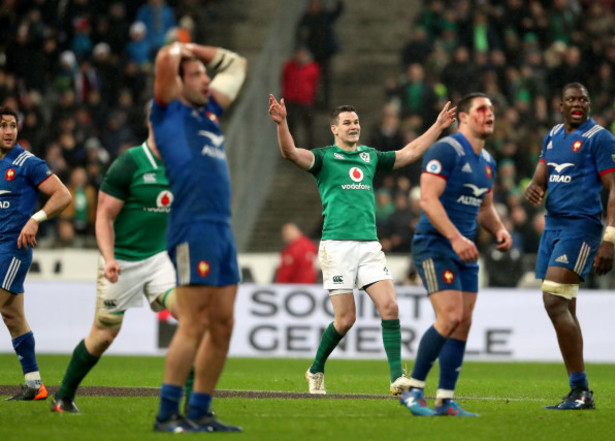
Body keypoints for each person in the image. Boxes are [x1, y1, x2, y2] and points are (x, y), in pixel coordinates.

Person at [268, 94, 456, 396]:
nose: (354, 126)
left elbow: (408, 153)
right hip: (337, 246)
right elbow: (290, 152)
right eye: (347, 123)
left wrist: (437, 127)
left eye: (356, 122)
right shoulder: (324, 158)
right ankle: (315, 369)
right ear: (334, 129)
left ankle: (397, 378)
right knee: (345, 320)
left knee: (390, 306)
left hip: (369, 245)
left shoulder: (369, 156)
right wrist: (282, 122)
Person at [151, 41, 247, 433]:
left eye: (206, 75)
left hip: (221, 228)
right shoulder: (167, 111)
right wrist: (181, 48)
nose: (206, 80)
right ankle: (166, 414)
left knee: (223, 324)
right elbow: (164, 59)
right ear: (177, 83)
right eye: (196, 75)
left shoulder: (208, 112)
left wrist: (197, 54)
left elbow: (238, 63)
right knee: (194, 322)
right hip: (192, 227)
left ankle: (200, 410)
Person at [50, 122, 179, 413]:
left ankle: (195, 406)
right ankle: (63, 397)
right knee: (103, 336)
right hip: (121, 261)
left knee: (192, 317)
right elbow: (104, 217)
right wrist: (109, 259)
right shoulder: (129, 163)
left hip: (159, 260)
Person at [400, 93, 512, 417]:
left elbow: (486, 208)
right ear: (463, 117)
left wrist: (500, 230)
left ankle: (445, 400)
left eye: (492, 109)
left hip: (465, 250)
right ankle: (413, 391)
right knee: (449, 317)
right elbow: (428, 201)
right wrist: (456, 237)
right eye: (481, 109)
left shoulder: (488, 162)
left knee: (462, 323)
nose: (489, 114)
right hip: (436, 245)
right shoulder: (445, 151)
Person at [524, 82, 615, 410]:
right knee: (564, 304)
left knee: (552, 299)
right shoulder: (553, 135)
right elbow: (543, 172)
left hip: (581, 227)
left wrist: (609, 240)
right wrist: (534, 186)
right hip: (553, 225)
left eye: (584, 98)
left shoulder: (600, 138)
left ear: (589, 103)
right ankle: (579, 391)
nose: (578, 103)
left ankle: (581, 389)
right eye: (572, 99)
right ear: (561, 104)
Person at [0, 106, 72, 401]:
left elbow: (63, 195)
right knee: (12, 316)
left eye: (12, 125)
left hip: (13, 250)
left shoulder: (27, 162)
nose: (8, 131)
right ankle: (34, 385)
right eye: (2, 125)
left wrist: (35, 219)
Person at [281, 47, 321, 148]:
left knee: (308, 126)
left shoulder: (312, 68)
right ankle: (292, 146)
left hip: (305, 101)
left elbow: (315, 84)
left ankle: (310, 145)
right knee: (291, 125)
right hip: (291, 100)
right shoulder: (289, 67)